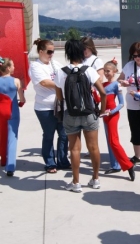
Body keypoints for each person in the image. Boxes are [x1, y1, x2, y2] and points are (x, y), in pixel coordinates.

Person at [54, 39, 106, 192]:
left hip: (70, 113)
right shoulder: (88, 70)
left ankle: (76, 183)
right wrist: (102, 110)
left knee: (74, 149)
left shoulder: (61, 72)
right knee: (93, 148)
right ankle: (95, 179)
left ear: (67, 53)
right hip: (89, 113)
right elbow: (103, 92)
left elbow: (59, 97)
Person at [29, 39, 70, 173]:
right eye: (49, 51)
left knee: (64, 135)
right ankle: (50, 163)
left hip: (60, 105)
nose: (52, 54)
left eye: (53, 51)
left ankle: (63, 160)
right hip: (44, 107)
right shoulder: (36, 66)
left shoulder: (55, 63)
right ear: (40, 52)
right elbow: (44, 82)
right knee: (49, 135)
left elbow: (66, 74)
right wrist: (61, 84)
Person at [102, 58, 135, 181]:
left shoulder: (116, 85)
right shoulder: (102, 84)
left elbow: (121, 104)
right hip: (104, 115)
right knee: (110, 142)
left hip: (112, 115)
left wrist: (111, 112)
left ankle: (128, 165)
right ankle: (115, 165)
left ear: (115, 71)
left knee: (114, 142)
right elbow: (99, 99)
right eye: (104, 71)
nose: (106, 73)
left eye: (108, 71)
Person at [117, 42, 140, 163]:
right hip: (132, 103)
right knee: (135, 129)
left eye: (139, 55)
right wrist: (123, 82)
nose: (137, 58)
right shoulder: (129, 65)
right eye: (134, 56)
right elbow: (119, 79)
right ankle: (138, 155)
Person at [0, 57, 25, 176]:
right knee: (12, 138)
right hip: (12, 111)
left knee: (2, 136)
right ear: (8, 68)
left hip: (0, 111)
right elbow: (22, 98)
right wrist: (21, 103)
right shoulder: (16, 81)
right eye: (13, 65)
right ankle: (10, 166)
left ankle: (3, 160)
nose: (14, 67)